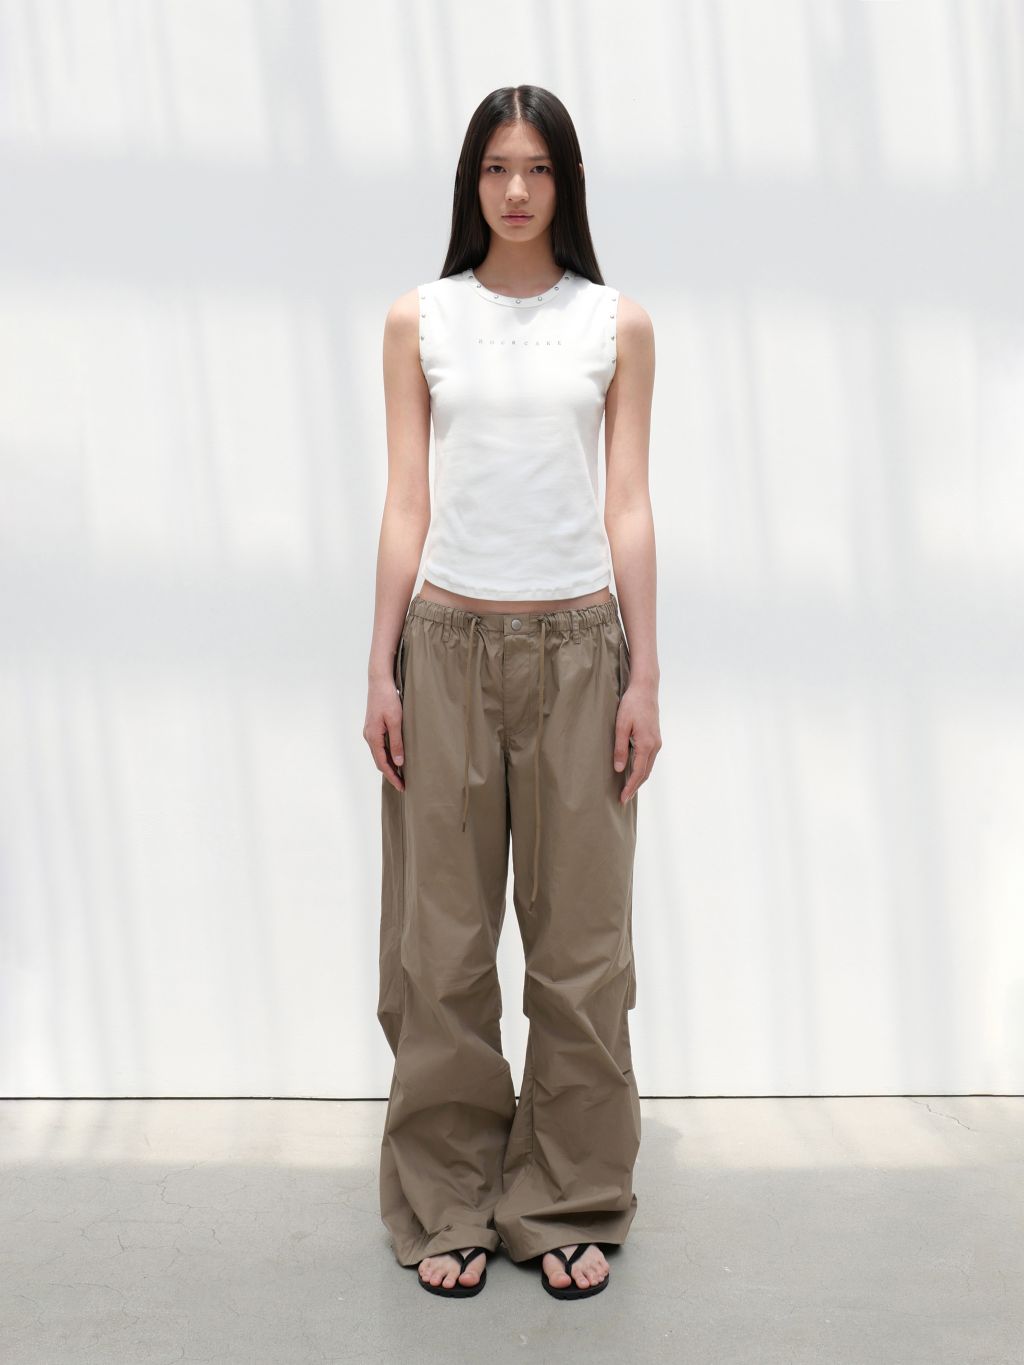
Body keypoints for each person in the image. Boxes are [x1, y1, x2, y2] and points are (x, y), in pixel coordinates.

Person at [364, 84, 661, 1301]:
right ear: (470, 181)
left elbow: (627, 503)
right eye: (496, 167)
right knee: (439, 947)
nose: (517, 190)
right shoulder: (420, 318)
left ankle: (568, 1194)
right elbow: (407, 501)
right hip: (443, 650)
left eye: (537, 168)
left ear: (567, 182)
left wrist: (646, 673)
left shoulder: (615, 323)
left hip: (582, 655)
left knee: (581, 946)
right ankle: (448, 1196)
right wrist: (377, 667)